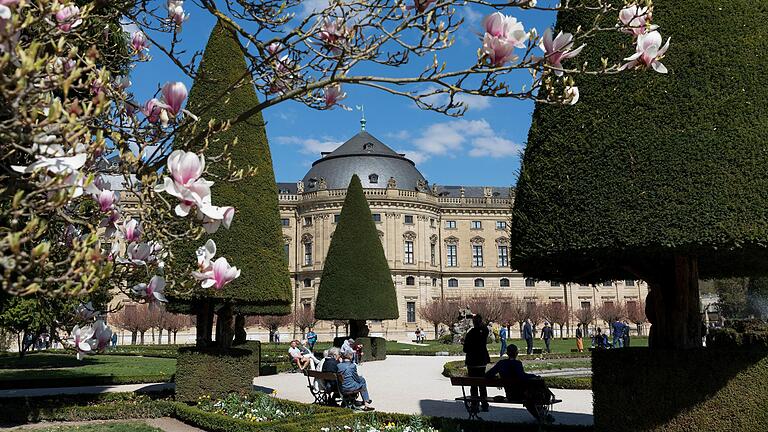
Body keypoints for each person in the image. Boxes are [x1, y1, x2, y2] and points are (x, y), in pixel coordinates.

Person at [485, 344, 555, 423]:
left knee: (530, 396)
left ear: (507, 353)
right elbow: (522, 376)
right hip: (520, 395)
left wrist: (497, 378)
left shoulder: (501, 363)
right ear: (516, 353)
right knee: (532, 395)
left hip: (510, 394)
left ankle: (541, 416)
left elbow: (488, 374)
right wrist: (534, 375)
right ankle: (541, 416)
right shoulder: (517, 364)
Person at [463, 314, 491, 412]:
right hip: (482, 361)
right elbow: (486, 329)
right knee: (482, 384)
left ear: (473, 323)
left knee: (473, 384)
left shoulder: (470, 333)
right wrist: (479, 319)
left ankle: (475, 405)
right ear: (480, 322)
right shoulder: (483, 332)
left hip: (472, 362)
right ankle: (484, 404)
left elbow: (465, 349)